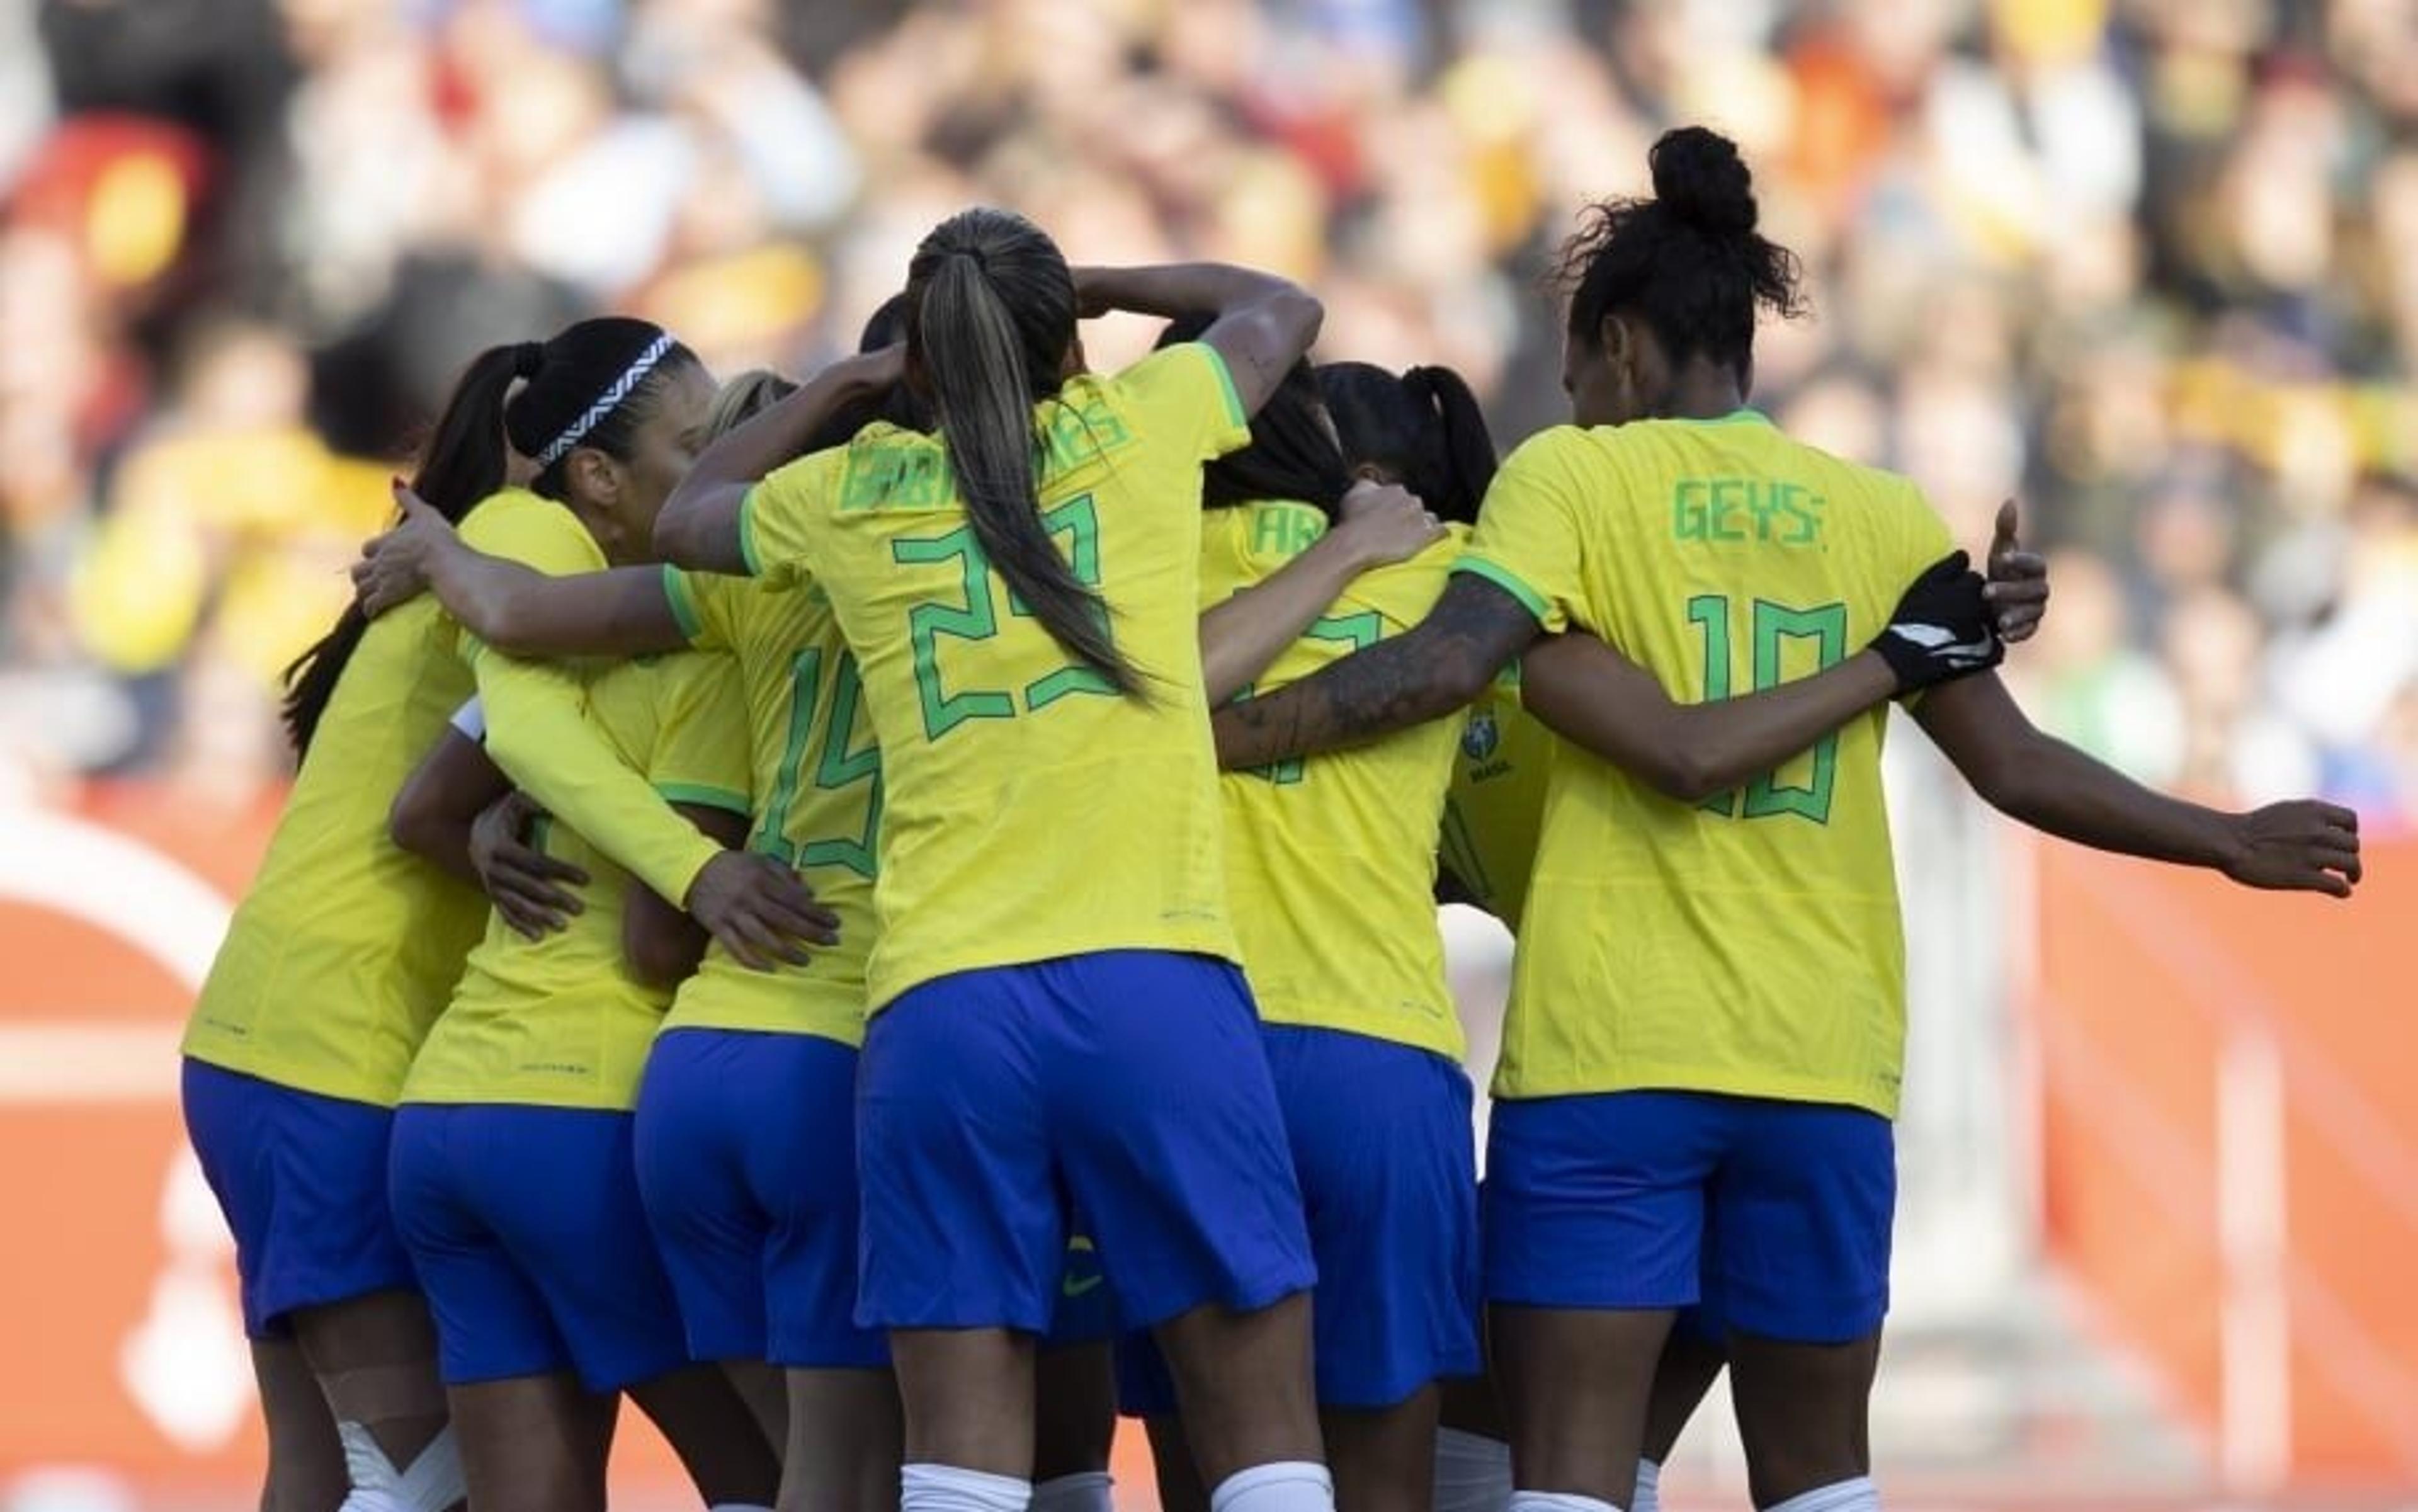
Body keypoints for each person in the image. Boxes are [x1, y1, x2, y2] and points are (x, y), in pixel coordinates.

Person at [1210, 127, 2361, 1512]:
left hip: (1613, 1056)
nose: (1573, 404)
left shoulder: (1568, 483)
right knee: (1821, 1479)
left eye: (1579, 377)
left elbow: (1451, 664)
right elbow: (2016, 766)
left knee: (1563, 1475)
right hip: (1824, 1055)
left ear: (1623, 348)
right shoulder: (1880, 511)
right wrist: (2226, 839)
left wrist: (1216, 732)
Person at [652, 212, 1340, 1512]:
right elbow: (1281, 306)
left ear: (920, 357)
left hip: (942, 1003)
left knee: (959, 1452)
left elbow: (686, 514)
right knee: (1257, 1422)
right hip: (1151, 976)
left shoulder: (852, 495)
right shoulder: (1133, 427)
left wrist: (855, 379)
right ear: (1070, 344)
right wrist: (1107, 278)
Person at [377, 321, 787, 1511]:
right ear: (598, 473)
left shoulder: (564, 627)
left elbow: (424, 809)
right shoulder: (713, 641)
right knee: (782, 1475)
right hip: (585, 1116)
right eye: (690, 444)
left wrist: (501, 833)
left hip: (448, 1111)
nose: (708, 470)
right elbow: (660, 937)